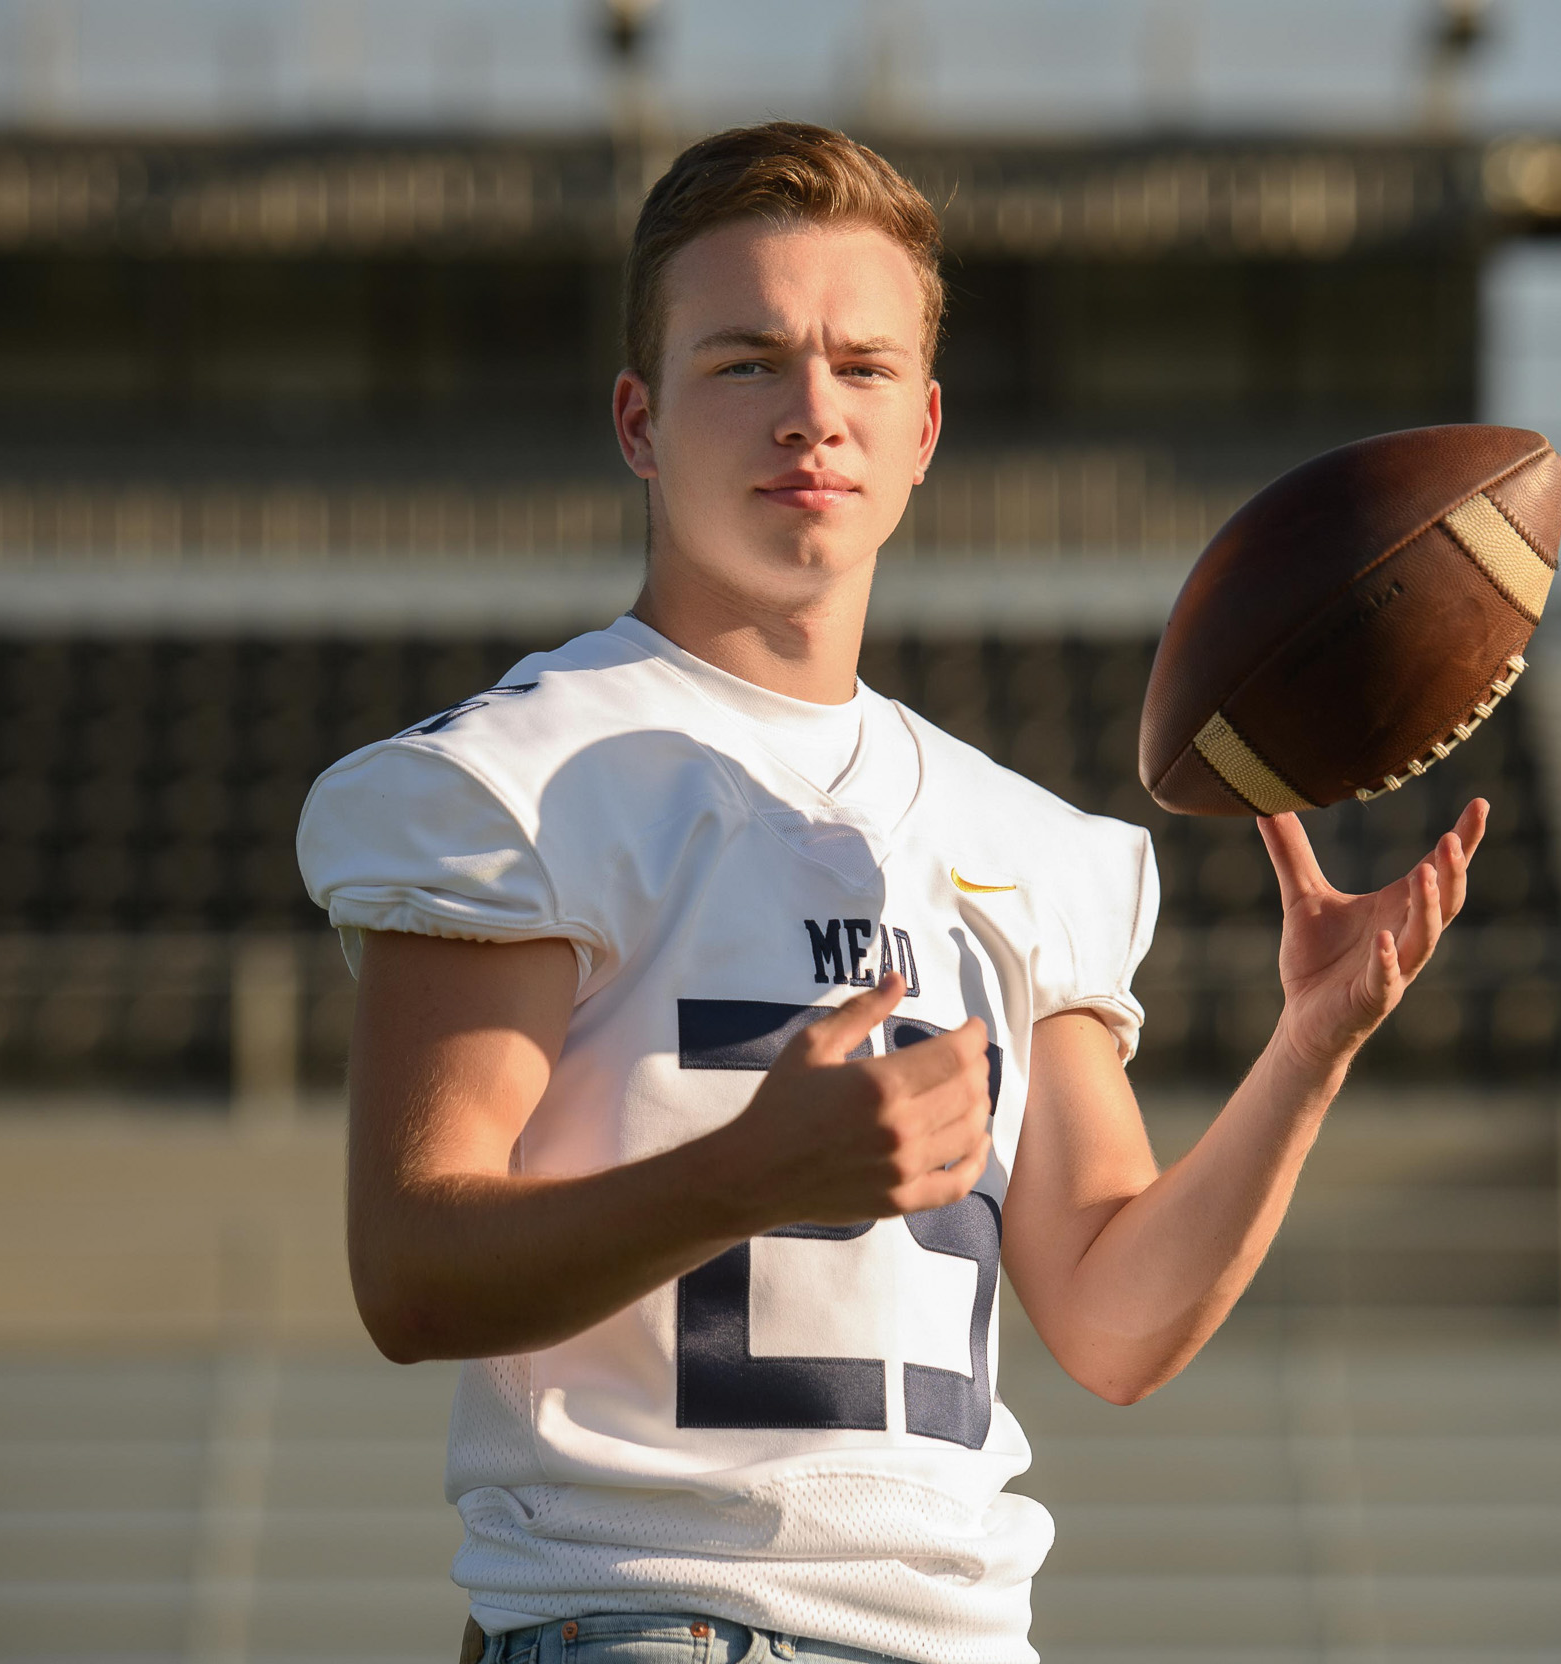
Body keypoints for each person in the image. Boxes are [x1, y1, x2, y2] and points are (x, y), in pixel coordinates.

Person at [297, 121, 1484, 1664]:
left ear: (925, 428)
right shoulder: (522, 778)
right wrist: (742, 1175)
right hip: (656, 1618)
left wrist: (1308, 1046)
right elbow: (412, 1271)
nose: (812, 415)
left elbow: (1112, 1324)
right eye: (747, 363)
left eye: (860, 369)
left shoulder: (1025, 840)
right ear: (639, 421)